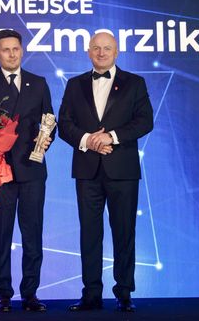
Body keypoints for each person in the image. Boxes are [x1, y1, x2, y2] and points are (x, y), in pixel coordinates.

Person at [58, 31, 153, 313]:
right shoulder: (74, 85)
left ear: (116, 51)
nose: (101, 53)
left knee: (124, 233)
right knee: (89, 235)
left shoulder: (135, 83)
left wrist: (111, 136)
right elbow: (65, 124)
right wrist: (89, 140)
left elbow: (145, 121)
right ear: (88, 51)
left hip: (122, 170)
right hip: (87, 170)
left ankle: (124, 293)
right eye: (96, 48)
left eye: (107, 48)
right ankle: (91, 295)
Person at [0, 29, 54, 312]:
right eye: (5, 50)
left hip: (32, 171)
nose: (12, 54)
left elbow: (49, 122)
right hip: (0, 172)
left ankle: (30, 294)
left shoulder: (38, 83)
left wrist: (45, 143)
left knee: (33, 234)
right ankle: (4, 294)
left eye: (16, 49)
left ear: (22, 50)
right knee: (1, 233)